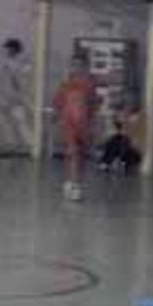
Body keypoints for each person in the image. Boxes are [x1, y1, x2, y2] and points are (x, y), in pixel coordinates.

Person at [54, 54, 99, 201]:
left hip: (84, 124)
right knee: (73, 152)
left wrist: (92, 125)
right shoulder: (65, 83)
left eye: (80, 65)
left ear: (85, 66)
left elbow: (93, 105)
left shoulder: (90, 84)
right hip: (68, 123)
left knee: (81, 156)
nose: (76, 68)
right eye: (73, 64)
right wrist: (57, 116)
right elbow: (58, 102)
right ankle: (74, 186)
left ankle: (74, 181)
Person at [0, 38, 32, 155]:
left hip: (15, 99)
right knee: (4, 124)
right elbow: (1, 83)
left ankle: (30, 146)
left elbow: (20, 83)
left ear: (13, 49)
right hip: (3, 98)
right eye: (5, 48)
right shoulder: (4, 62)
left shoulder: (21, 64)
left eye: (7, 48)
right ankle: (10, 145)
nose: (5, 50)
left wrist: (18, 97)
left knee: (21, 123)